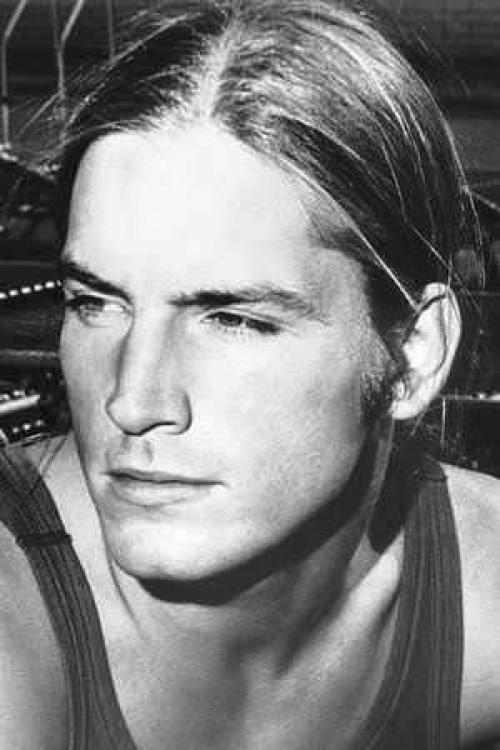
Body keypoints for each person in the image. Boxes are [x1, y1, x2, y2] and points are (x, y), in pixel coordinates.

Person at [0, 1, 499, 748]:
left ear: (412, 355)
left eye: (234, 319)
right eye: (96, 303)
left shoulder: (482, 591)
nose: (133, 402)